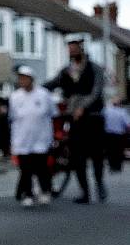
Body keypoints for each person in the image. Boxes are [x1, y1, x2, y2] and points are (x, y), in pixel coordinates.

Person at [44, 38, 107, 203]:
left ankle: (99, 183)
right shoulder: (66, 71)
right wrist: (35, 89)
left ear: (81, 49)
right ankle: (84, 192)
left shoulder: (94, 69)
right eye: (69, 49)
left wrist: (83, 107)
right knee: (77, 155)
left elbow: (96, 91)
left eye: (74, 48)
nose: (72, 52)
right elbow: (52, 84)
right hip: (74, 119)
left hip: (93, 117)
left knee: (96, 154)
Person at [9, 66, 56, 207]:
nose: (22, 81)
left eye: (25, 78)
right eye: (20, 78)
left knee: (42, 167)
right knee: (25, 168)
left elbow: (52, 114)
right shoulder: (15, 97)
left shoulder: (44, 94)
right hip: (22, 138)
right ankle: (27, 193)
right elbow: (12, 118)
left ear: (32, 79)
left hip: (41, 137)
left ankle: (44, 191)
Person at [102, 96, 129, 172]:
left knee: (110, 150)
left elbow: (102, 119)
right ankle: (118, 166)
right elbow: (127, 123)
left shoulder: (106, 110)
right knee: (119, 151)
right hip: (119, 134)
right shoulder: (122, 111)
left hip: (108, 134)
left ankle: (112, 166)